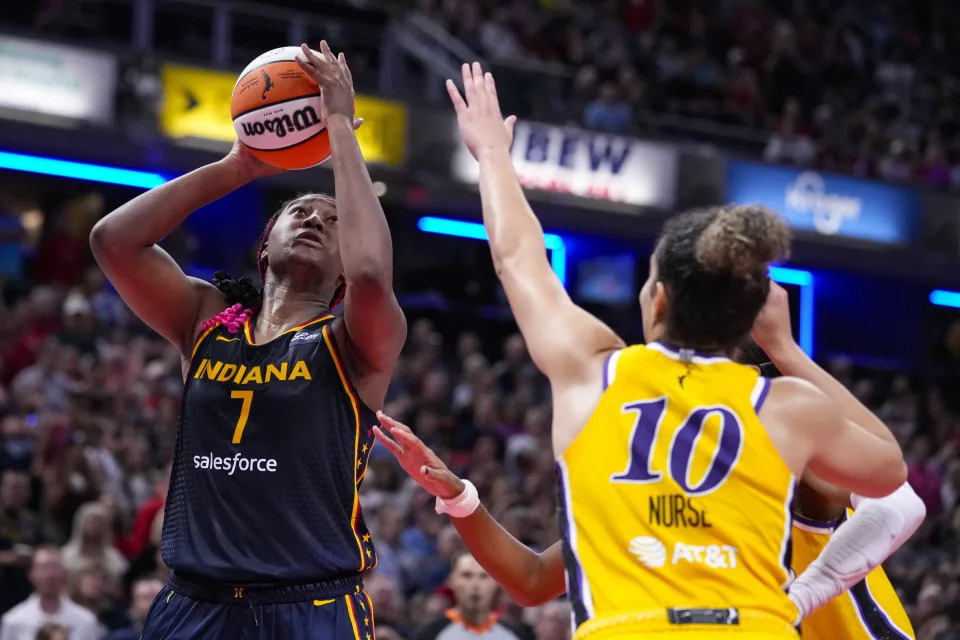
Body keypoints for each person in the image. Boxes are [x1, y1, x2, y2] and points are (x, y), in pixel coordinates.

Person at [379, 62, 907, 640]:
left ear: (657, 301)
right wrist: (784, 347)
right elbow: (889, 470)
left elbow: (516, 258)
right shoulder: (786, 407)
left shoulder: (595, 372)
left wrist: (494, 157)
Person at [90, 41, 406, 640]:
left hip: (310, 607)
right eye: (300, 213)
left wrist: (338, 124)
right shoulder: (206, 318)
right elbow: (113, 241)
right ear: (263, 247)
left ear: (344, 268)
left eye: (334, 221)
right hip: (194, 604)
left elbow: (372, 273)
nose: (316, 219)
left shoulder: (356, 340)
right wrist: (240, 167)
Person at [414, 553, 533, 640]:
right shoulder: (429, 634)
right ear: (452, 581)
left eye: (483, 576)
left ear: (495, 583)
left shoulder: (516, 634)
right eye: (467, 576)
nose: (475, 585)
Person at [0, 547, 101, 640]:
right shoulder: (13, 621)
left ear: (64, 573)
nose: (50, 574)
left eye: (54, 567)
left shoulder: (86, 621)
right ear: (31, 573)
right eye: (43, 567)